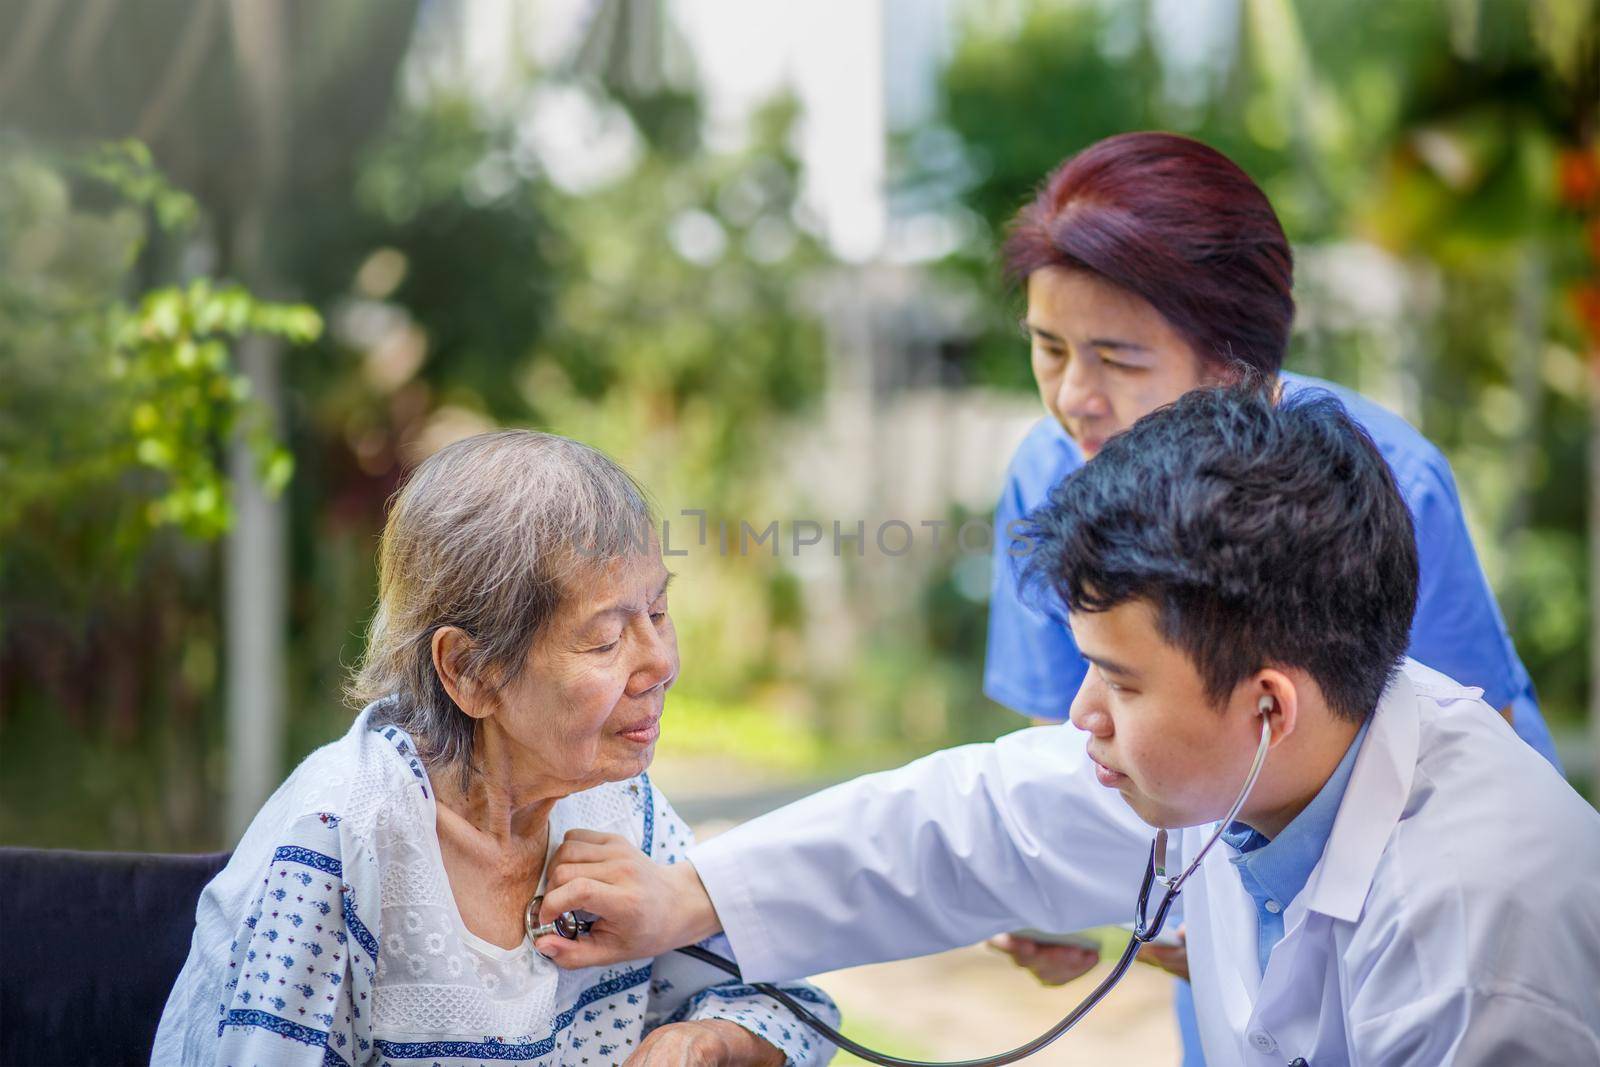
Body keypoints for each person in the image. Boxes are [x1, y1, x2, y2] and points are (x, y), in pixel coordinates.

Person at [533, 386, 1600, 1065]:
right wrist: (685, 893)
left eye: (1118, 683)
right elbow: (970, 821)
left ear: (1268, 702)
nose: (1080, 714)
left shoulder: (1483, 936)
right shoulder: (1251, 766)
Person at [977, 131, 1563, 1058]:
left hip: (1411, 945)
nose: (1074, 397)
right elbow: (1063, 753)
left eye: (1119, 360)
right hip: (1221, 980)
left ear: (1235, 367)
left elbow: (1463, 754)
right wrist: (1044, 888)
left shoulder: (1385, 483)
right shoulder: (1051, 473)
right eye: (1048, 349)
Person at [153, 431, 836, 1067]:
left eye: (657, 612)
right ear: (470, 671)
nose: (660, 662)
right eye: (605, 639)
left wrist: (707, 1039)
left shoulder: (612, 801)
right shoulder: (336, 845)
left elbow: (795, 1006)